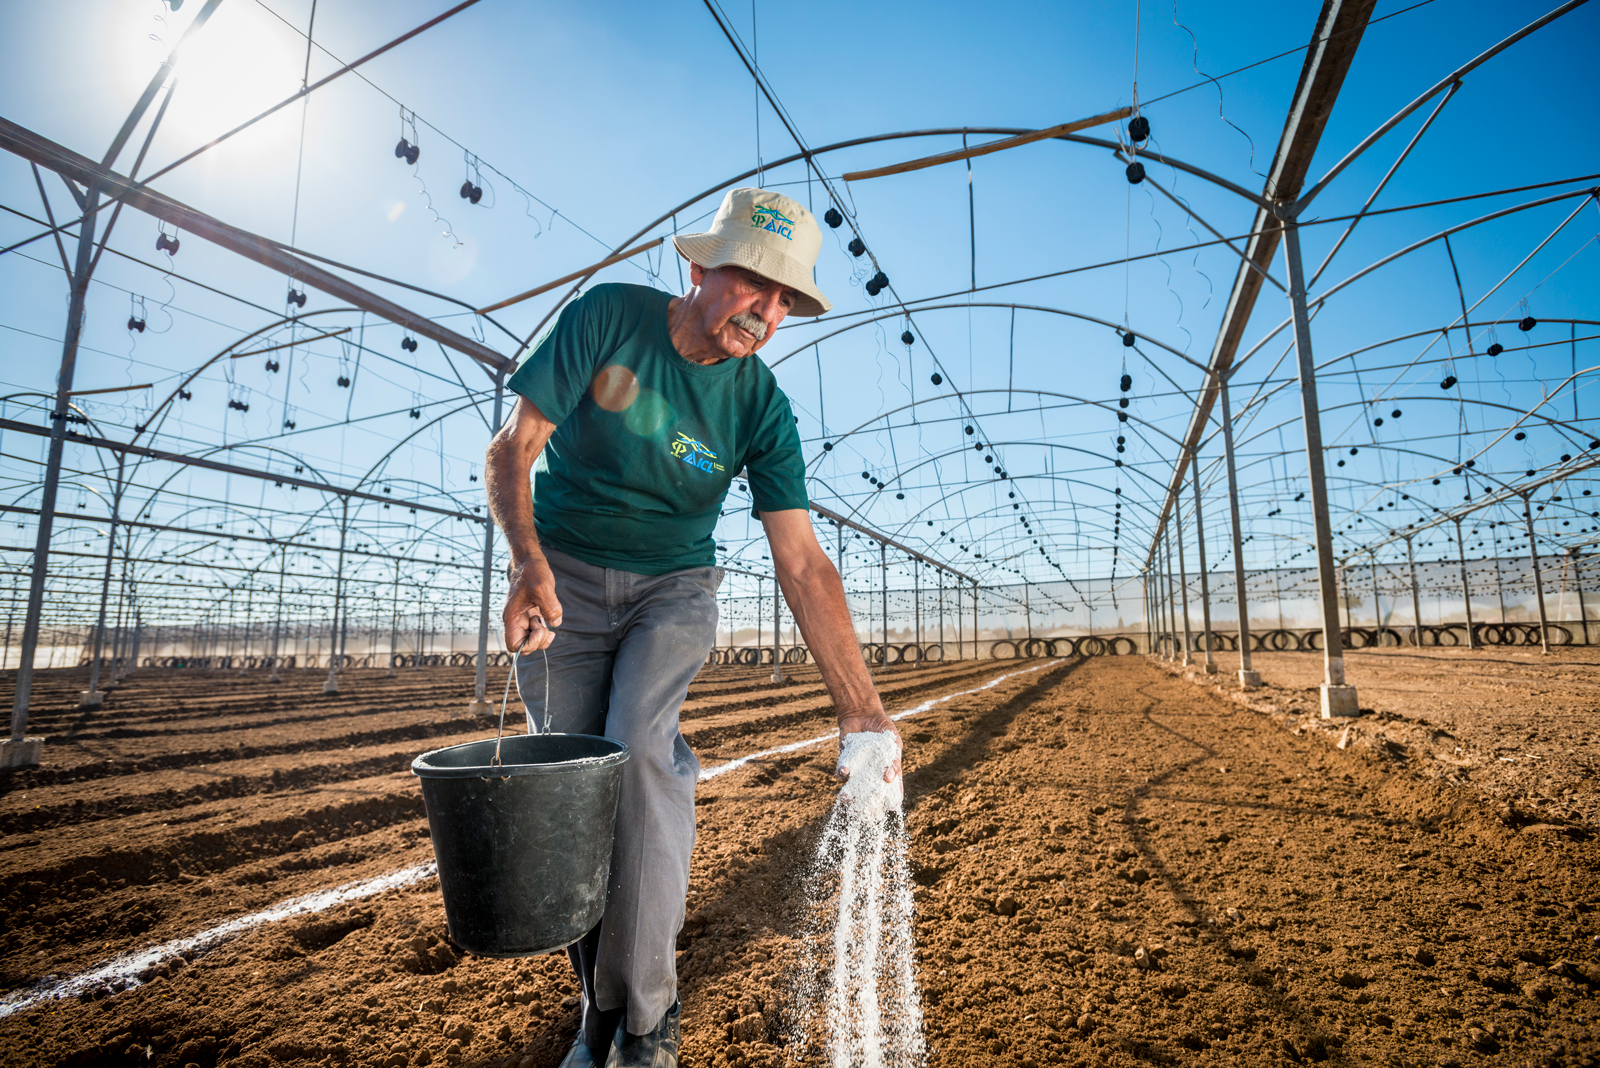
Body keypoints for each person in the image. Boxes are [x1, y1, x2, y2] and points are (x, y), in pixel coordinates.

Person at [484, 186, 903, 1068]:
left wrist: (862, 710)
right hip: (560, 579)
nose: (768, 311)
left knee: (638, 751)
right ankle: (597, 1007)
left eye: (787, 299)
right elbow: (512, 447)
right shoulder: (609, 318)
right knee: (572, 790)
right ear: (701, 268)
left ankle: (646, 1020)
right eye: (756, 283)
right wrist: (526, 563)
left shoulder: (759, 405)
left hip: (672, 589)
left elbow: (802, 562)